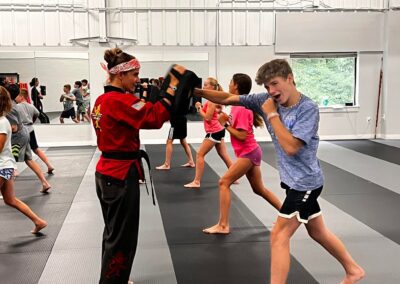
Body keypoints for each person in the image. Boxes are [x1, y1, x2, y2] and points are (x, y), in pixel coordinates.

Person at [195, 59, 365, 284]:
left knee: (278, 235)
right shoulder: (265, 100)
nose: (271, 91)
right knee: (317, 231)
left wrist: (272, 115)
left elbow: (292, 147)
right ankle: (353, 270)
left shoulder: (307, 109)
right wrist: (194, 90)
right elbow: (226, 97)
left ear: (290, 78)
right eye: (266, 87)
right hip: (292, 182)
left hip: (305, 183)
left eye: (274, 83)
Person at [92, 47, 192, 284]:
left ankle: (116, 277)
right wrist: (171, 90)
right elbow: (155, 117)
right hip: (119, 176)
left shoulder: (102, 99)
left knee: (113, 233)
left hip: (106, 172)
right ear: (120, 75)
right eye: (134, 75)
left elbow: (139, 113)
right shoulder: (120, 101)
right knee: (122, 238)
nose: (137, 80)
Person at [203, 73, 281, 234]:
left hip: (249, 153)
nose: (229, 84)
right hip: (250, 152)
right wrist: (225, 120)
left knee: (223, 182)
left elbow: (242, 135)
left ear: (236, 86)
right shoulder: (238, 105)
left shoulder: (242, 107)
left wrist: (224, 125)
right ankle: (288, 215)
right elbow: (238, 128)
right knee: (259, 189)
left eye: (231, 82)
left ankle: (223, 225)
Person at [0, 86, 47, 234]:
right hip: (5, 167)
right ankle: (39, 221)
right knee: (10, 200)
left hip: (2, 167)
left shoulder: (2, 122)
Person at [184, 77, 234, 188]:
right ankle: (234, 177)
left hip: (214, 131)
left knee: (200, 154)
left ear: (212, 87)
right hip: (219, 130)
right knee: (223, 154)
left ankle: (196, 182)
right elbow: (216, 111)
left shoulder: (211, 100)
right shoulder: (215, 98)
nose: (203, 87)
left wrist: (199, 108)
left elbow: (207, 117)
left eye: (206, 85)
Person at [5, 84, 51, 193]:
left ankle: (7, 191)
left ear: (7, 93)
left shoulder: (10, 107)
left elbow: (13, 127)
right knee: (29, 160)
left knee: (8, 161)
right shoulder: (13, 105)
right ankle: (45, 183)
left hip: (17, 136)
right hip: (24, 133)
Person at [16, 89, 55, 174]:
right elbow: (37, 114)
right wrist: (31, 121)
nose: (16, 98)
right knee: (36, 149)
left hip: (22, 131)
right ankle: (49, 165)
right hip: (30, 129)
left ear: (21, 97)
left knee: (14, 149)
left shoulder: (17, 107)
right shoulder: (31, 106)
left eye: (17, 96)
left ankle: (14, 171)